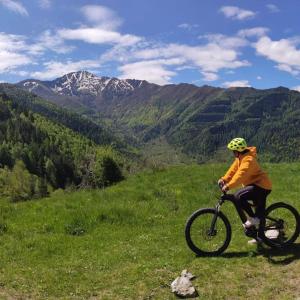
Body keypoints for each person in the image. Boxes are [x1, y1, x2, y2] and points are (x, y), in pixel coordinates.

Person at [218, 138, 272, 242]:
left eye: (233, 151)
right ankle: (259, 235)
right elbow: (233, 170)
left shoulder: (248, 160)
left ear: (238, 151)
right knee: (259, 212)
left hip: (262, 186)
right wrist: (224, 179)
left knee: (238, 196)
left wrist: (228, 186)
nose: (233, 153)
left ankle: (253, 219)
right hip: (255, 185)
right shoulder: (240, 158)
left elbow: (240, 175)